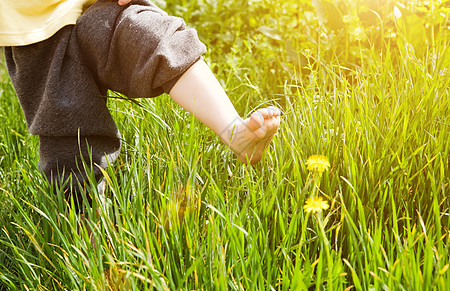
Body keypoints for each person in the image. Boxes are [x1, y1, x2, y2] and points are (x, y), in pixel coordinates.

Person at [0, 0, 281, 207]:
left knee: (153, 36)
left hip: (100, 5)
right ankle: (87, 226)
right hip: (33, 25)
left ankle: (234, 131)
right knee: (66, 121)